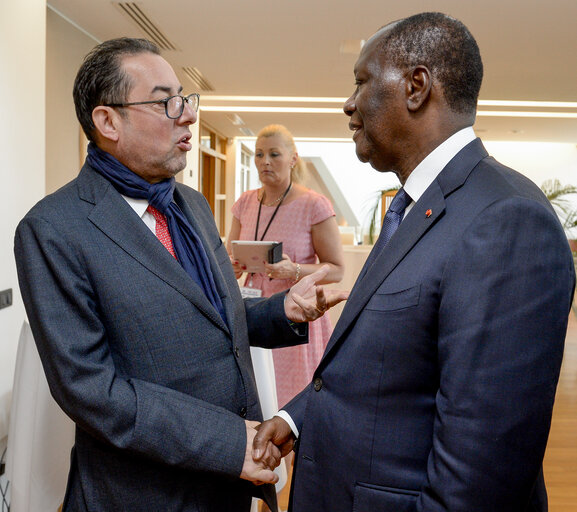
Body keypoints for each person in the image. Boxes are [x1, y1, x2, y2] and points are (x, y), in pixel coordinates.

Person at [253, 12, 576, 512]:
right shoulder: (412, 207)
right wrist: (298, 418)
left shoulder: (507, 220)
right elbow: (388, 366)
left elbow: (479, 481)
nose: (348, 102)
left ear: (416, 87)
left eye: (361, 81)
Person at [13, 38, 347, 512]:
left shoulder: (190, 205)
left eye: (186, 100)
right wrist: (230, 443)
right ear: (108, 121)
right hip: (144, 494)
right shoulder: (53, 230)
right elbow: (92, 391)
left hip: (225, 488)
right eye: (165, 101)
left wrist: (282, 310)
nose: (187, 115)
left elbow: (208, 315)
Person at [227, 124, 344, 409]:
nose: (265, 161)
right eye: (259, 154)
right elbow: (227, 257)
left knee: (292, 405)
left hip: (294, 315)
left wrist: (293, 271)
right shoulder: (244, 203)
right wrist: (234, 266)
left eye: (274, 154)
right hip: (252, 314)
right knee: (257, 399)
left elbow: (337, 269)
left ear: (293, 158)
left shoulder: (313, 204)